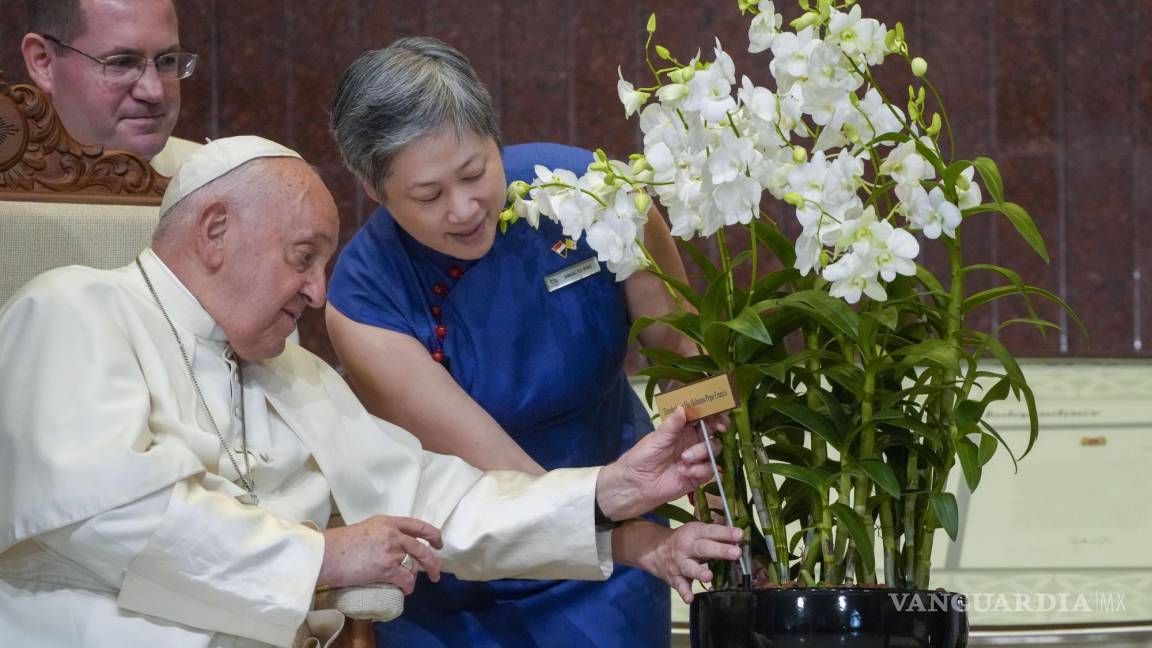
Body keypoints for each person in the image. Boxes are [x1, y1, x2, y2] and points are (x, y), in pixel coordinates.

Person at [0, 136, 742, 648]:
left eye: (324, 261)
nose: (318, 292)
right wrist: (322, 558)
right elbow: (110, 516)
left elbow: (432, 495)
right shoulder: (72, 309)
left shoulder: (292, 373)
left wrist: (606, 492)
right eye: (302, 258)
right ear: (215, 230)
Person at [326, 37, 700, 647]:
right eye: (428, 195)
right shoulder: (366, 301)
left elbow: (684, 349)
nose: (465, 208)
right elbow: (502, 479)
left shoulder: (589, 193)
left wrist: (717, 481)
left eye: (476, 172)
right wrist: (637, 542)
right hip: (461, 567)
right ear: (375, 191)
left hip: (614, 565)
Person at [20, 0, 201, 175]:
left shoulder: (213, 177)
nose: (154, 92)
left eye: (168, 60)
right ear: (43, 62)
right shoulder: (8, 195)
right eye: (122, 62)